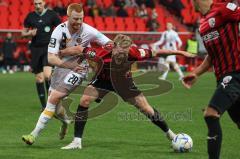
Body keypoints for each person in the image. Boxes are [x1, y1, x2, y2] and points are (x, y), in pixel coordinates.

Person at [59, 34, 195, 150]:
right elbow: (79, 49)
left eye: (126, 50)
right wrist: (61, 53)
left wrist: (181, 53)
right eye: (121, 50)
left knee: (146, 109)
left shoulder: (134, 52)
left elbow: (157, 52)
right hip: (103, 81)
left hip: (124, 82)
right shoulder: (100, 52)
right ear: (113, 46)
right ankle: (77, 141)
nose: (124, 53)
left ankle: (169, 133)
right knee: (85, 100)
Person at [22, 3, 112, 145]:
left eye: (81, 18)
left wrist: (99, 57)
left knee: (53, 99)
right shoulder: (59, 31)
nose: (79, 22)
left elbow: (109, 44)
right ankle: (65, 122)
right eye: (75, 19)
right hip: (61, 68)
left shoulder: (90, 31)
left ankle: (33, 135)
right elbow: (51, 58)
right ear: (68, 17)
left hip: (79, 69)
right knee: (56, 109)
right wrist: (69, 64)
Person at [182, 1, 240, 159]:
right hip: (223, 78)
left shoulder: (223, 7)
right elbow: (211, 56)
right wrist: (195, 73)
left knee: (211, 114)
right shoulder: (202, 25)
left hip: (235, 74)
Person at [21, 0, 61, 110]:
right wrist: (29, 33)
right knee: (39, 79)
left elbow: (61, 29)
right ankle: (44, 106)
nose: (38, 6)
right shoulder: (30, 16)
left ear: (44, 3)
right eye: (35, 4)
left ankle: (50, 104)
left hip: (49, 48)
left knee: (48, 75)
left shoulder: (52, 15)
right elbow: (22, 34)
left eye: (40, 3)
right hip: (35, 49)